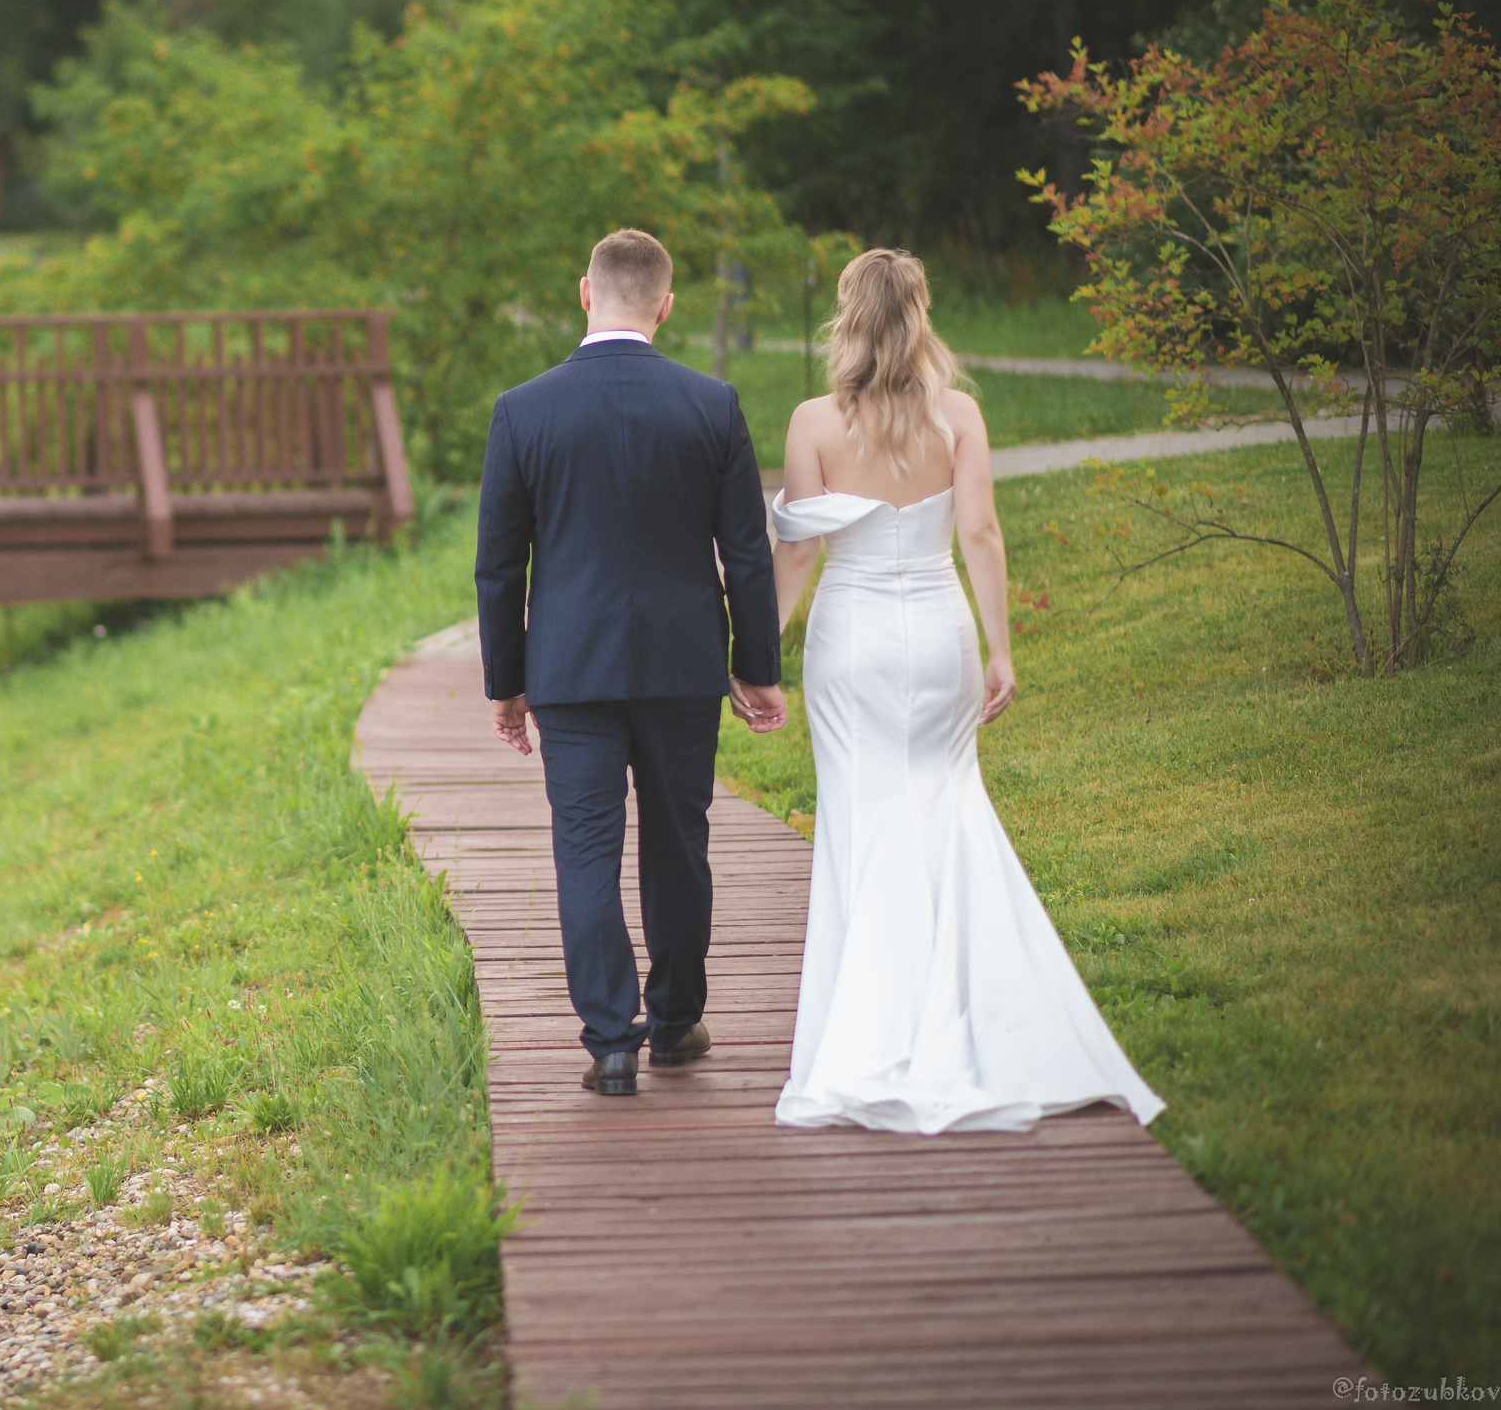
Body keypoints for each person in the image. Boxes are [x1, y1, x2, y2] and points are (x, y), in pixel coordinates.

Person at [768, 248, 1163, 1132]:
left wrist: (757, 654)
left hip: (852, 640)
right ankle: (974, 1018)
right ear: (921, 314)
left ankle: (869, 1026)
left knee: (861, 813)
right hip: (937, 629)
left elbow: (796, 549)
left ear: (848, 318)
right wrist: (999, 647)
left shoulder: (814, 423)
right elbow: (980, 532)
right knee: (947, 803)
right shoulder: (959, 417)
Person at [476, 229, 786, 1098]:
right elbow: (746, 552)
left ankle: (611, 1041)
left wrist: (506, 683)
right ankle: (677, 1021)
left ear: (585, 292)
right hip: (683, 663)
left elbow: (499, 565)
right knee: (679, 842)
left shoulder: (523, 409)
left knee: (585, 848)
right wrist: (756, 664)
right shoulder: (711, 404)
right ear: (666, 305)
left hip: (571, 668)